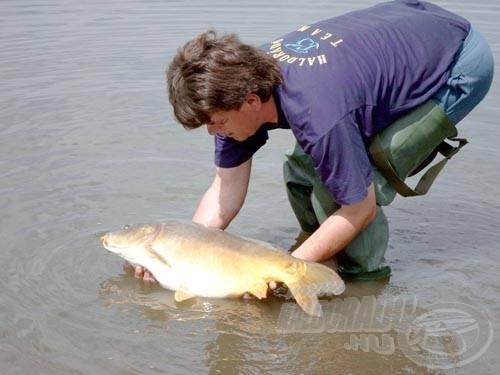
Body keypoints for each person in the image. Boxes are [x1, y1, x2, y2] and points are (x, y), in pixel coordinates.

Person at [131, 0, 493, 285]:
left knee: (345, 190)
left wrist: (285, 271)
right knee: (303, 167)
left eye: (217, 123)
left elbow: (359, 208)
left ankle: (364, 282)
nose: (213, 133)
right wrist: (172, 257)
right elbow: (225, 193)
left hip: (457, 62)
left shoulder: (316, 112)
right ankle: (321, 248)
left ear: (251, 102)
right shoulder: (232, 84)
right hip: (404, 30)